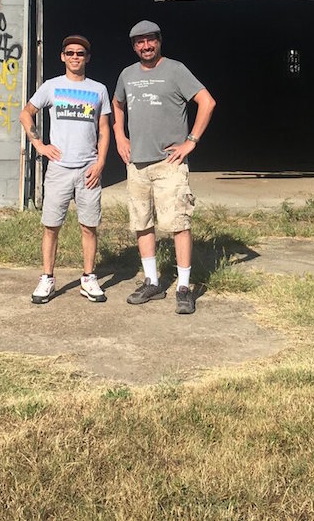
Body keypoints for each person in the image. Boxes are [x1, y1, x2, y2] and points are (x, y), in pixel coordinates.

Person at [112, 20, 216, 315]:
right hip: (137, 164)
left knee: (178, 224)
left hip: (169, 163)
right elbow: (117, 104)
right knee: (142, 222)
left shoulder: (176, 70)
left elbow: (207, 102)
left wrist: (191, 141)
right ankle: (152, 281)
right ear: (134, 46)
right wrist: (120, 135)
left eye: (150, 40)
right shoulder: (127, 74)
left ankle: (183, 287)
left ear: (159, 41)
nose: (146, 46)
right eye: (140, 42)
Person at [21, 34, 111, 305]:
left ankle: (88, 278)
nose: (75, 57)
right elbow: (26, 113)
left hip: (88, 169)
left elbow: (104, 129)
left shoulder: (99, 90)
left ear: (87, 58)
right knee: (51, 226)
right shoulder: (51, 86)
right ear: (62, 57)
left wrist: (101, 163)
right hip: (59, 169)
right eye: (70, 53)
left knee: (89, 226)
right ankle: (47, 278)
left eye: (80, 53)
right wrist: (39, 145)